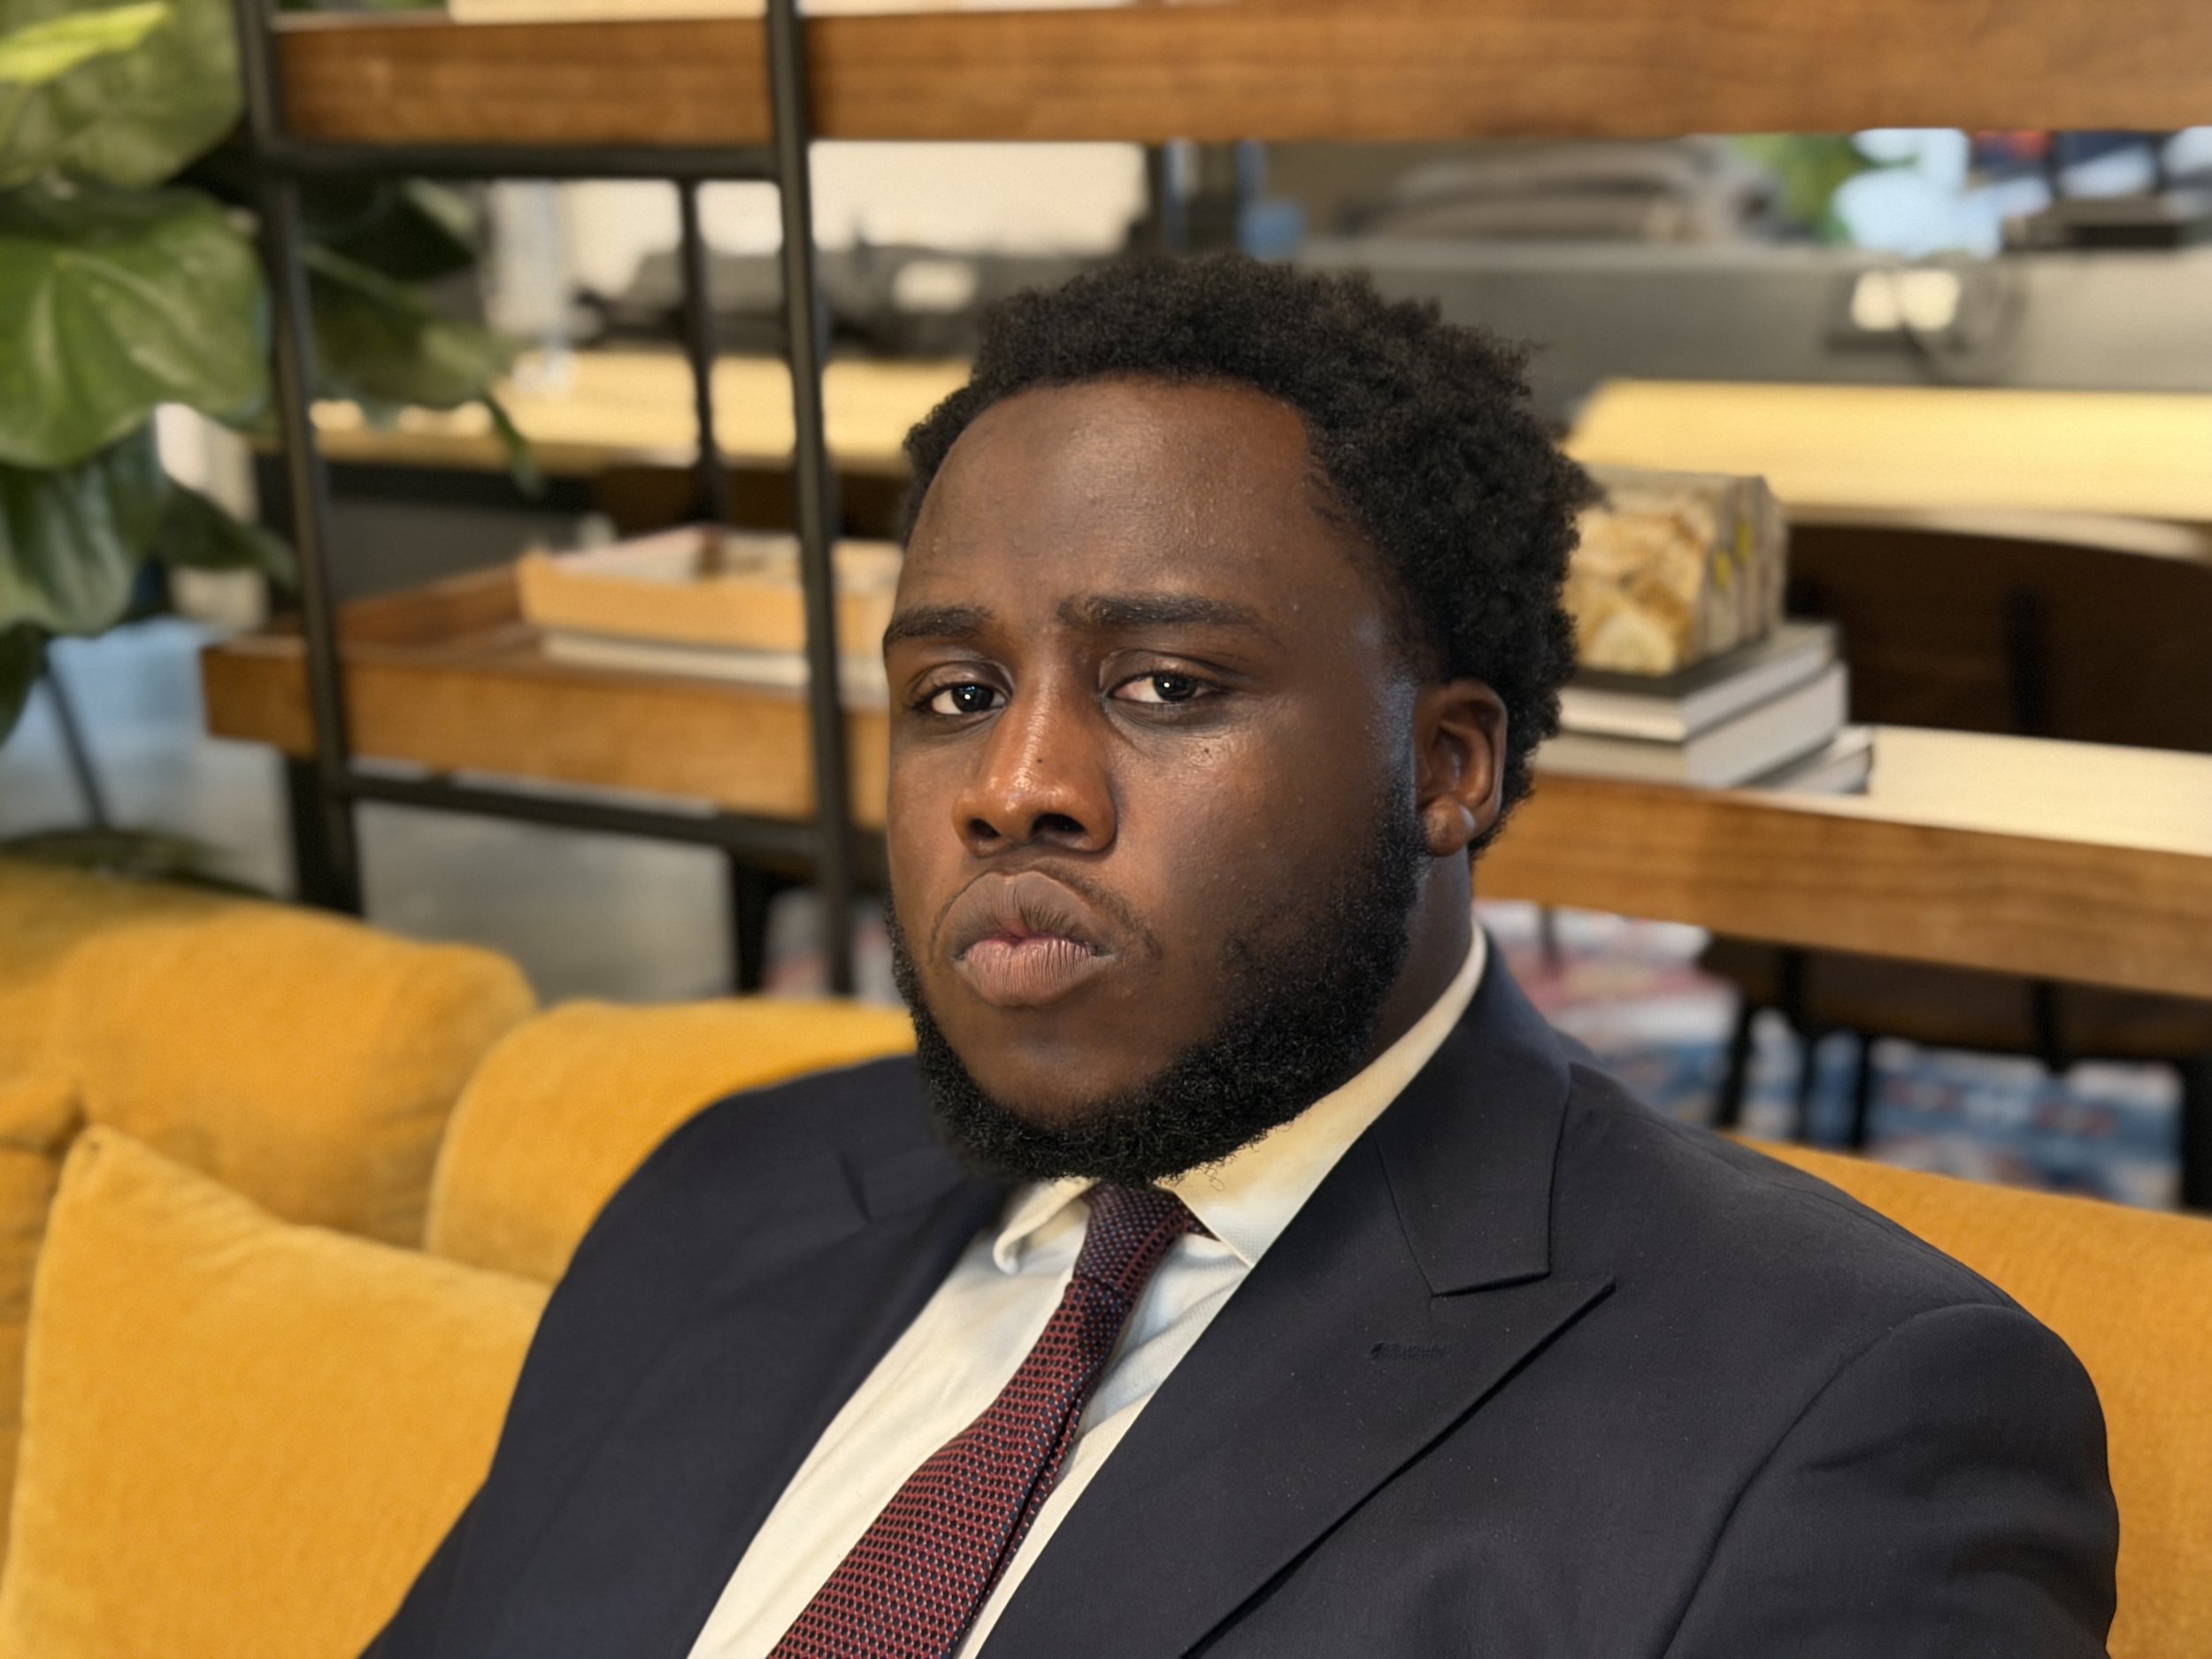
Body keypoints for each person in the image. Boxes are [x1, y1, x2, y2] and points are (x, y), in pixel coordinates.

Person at [367, 256, 2116, 1659]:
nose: (1013, 786)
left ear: (1447, 765)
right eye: (954, 694)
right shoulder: (722, 1189)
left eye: (1166, 687)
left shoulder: (1831, 1412)